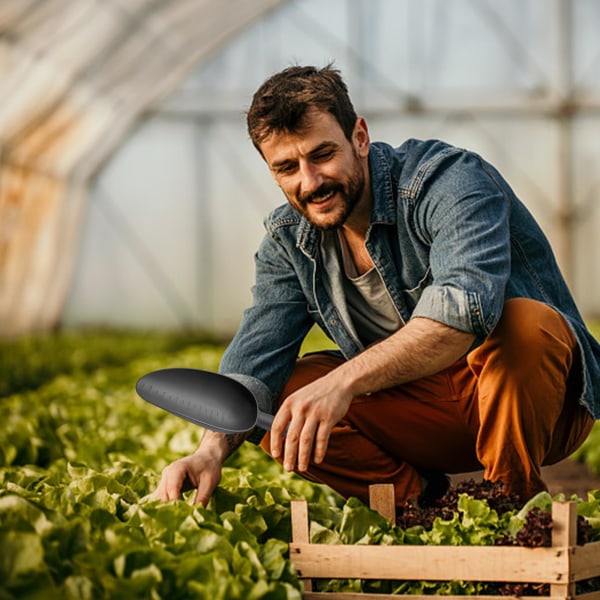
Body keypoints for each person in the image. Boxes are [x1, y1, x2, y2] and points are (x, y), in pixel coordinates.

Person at [155, 64, 600, 508]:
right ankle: (419, 507)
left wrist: (344, 382)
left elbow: (463, 312)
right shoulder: (290, 239)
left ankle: (510, 501)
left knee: (527, 323)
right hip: (425, 416)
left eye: (322, 154)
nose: (309, 182)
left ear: (360, 138)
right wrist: (208, 452)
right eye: (287, 167)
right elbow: (253, 363)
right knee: (282, 396)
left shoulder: (447, 181)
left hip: (536, 404)